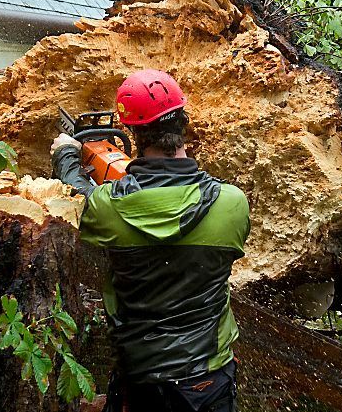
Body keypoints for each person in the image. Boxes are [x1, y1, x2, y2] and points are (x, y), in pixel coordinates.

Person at [50, 69, 250, 412]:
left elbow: (77, 197)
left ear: (132, 131)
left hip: (142, 379)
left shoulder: (107, 208)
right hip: (209, 379)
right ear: (184, 121)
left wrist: (66, 155)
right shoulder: (231, 204)